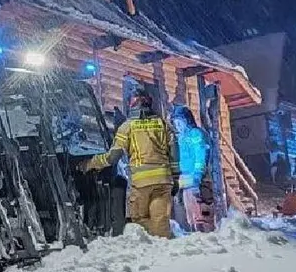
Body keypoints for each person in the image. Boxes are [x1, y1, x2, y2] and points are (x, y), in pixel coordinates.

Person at [83, 89, 179, 238]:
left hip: (141, 184)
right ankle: (163, 248)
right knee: (161, 223)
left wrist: (90, 163)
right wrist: (176, 178)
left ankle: (149, 250)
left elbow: (113, 157)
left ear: (131, 104)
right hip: (163, 181)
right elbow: (174, 152)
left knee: (139, 221)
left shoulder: (127, 127)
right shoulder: (162, 124)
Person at [170, 106, 217, 232]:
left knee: (201, 215)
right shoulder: (180, 138)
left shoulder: (195, 134)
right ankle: (196, 235)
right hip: (185, 181)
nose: (178, 126)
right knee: (190, 216)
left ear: (187, 120)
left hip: (198, 180)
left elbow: (201, 155)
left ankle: (208, 236)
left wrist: (198, 175)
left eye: (180, 122)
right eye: (176, 123)